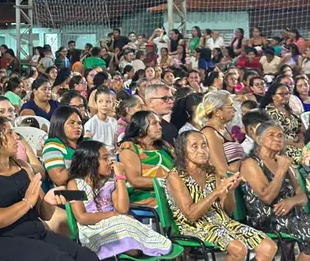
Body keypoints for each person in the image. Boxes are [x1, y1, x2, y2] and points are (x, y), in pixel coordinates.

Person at [0, 116, 97, 261]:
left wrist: (48, 201)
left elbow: (44, 214)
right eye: (10, 133)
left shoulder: (23, 166)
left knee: (87, 256)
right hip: (3, 242)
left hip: (36, 234)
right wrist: (26, 203)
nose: (17, 138)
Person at [166, 131, 277, 261]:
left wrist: (230, 192)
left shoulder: (211, 171)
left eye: (204, 145)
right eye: (195, 146)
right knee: (239, 249)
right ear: (183, 150)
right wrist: (217, 192)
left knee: (269, 247)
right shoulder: (176, 176)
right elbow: (191, 215)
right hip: (194, 226)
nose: (202, 150)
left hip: (221, 221)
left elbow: (227, 211)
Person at [67, 139, 171, 259]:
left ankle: (148, 247)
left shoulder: (110, 181)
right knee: (124, 225)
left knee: (126, 223)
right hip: (93, 229)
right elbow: (82, 217)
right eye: (105, 158)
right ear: (90, 161)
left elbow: (122, 209)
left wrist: (120, 177)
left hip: (116, 221)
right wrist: (113, 214)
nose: (111, 161)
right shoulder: (74, 184)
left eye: (110, 157)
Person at [241, 121, 310, 256]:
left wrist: (292, 201)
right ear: (258, 139)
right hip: (267, 218)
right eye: (271, 135)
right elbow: (267, 198)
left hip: (292, 214)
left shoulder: (282, 161)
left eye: (280, 136)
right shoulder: (251, 163)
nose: (278, 139)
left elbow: (302, 196)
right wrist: (281, 170)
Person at [118, 110, 173, 206]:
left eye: (159, 123)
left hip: (171, 192)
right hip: (145, 197)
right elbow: (135, 181)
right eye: (154, 124)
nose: (160, 127)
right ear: (141, 127)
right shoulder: (130, 147)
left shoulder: (165, 146)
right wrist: (169, 182)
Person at [41, 105, 85, 187]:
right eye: (71, 123)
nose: (77, 126)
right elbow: (59, 179)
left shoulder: (86, 142)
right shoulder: (52, 146)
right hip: (67, 196)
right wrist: (84, 162)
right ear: (59, 124)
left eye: (79, 123)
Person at [83, 86, 118, 151]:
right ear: (96, 103)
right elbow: (88, 144)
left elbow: (115, 142)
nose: (104, 104)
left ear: (112, 104)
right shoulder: (91, 123)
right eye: (100, 101)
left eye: (108, 102)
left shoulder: (114, 122)